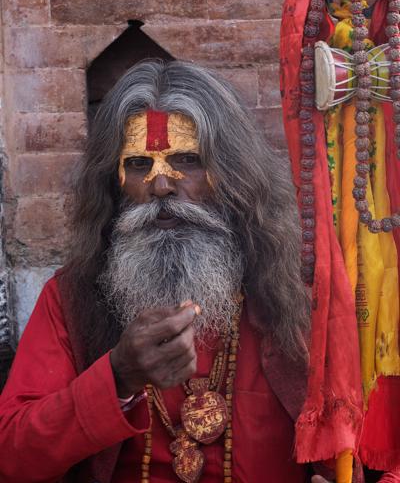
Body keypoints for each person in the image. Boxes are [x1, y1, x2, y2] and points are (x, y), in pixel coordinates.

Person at [0, 60, 397, 483]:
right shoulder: (71, 298)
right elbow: (12, 456)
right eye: (138, 164)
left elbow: (386, 448)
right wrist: (117, 378)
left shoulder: (306, 289)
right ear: (113, 182)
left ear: (233, 175)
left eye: (187, 160)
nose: (161, 185)